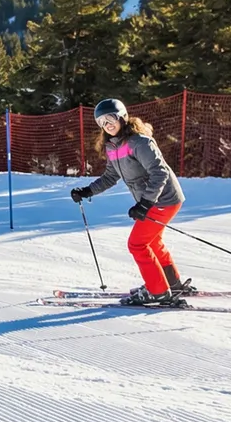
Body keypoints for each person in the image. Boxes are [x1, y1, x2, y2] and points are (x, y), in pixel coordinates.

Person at [71, 98, 191, 307]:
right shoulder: (112, 146)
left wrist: (145, 203)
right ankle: (171, 282)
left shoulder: (139, 142)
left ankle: (158, 291)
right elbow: (110, 176)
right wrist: (88, 190)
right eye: (102, 122)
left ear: (122, 117)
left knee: (137, 244)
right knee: (152, 241)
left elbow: (159, 172)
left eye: (110, 118)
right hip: (154, 200)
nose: (107, 125)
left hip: (163, 199)